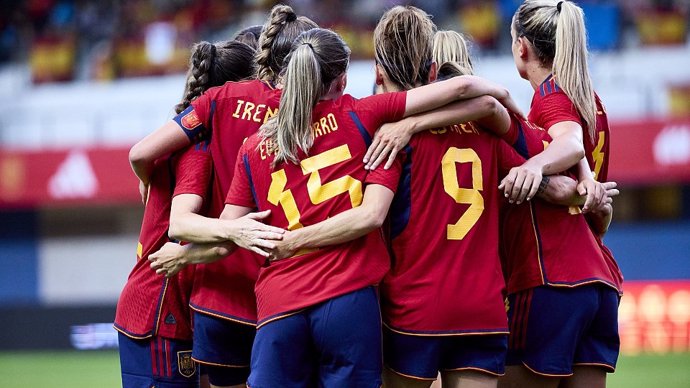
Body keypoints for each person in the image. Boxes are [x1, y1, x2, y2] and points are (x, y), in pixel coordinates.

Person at [151, 26, 526, 387]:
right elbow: (461, 87)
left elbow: (225, 239)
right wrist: (506, 100)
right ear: (342, 80)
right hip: (348, 300)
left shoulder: (255, 147)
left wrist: (185, 256)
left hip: (281, 305)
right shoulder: (360, 115)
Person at [129, 5, 318, 387]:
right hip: (283, 295)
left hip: (211, 301)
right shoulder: (306, 107)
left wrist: (147, 180)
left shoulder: (209, 121)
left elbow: (141, 157)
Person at [114, 39, 270, 388]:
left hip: (173, 309)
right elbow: (180, 226)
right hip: (161, 309)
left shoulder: (193, 143)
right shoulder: (196, 152)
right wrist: (239, 231)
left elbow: (141, 156)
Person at [500, 1, 624, 387]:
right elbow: (596, 203)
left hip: (550, 277)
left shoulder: (552, 95)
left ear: (522, 47)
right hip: (598, 281)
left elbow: (570, 144)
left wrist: (532, 166)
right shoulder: (592, 100)